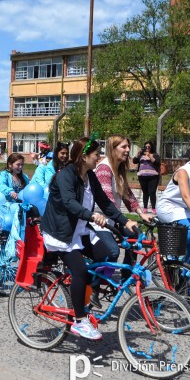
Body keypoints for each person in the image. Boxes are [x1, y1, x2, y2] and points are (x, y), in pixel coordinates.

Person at [40, 136, 138, 341]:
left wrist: (125, 220)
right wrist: (91, 215)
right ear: (84, 157)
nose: (99, 157)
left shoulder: (90, 176)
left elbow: (105, 202)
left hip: (80, 230)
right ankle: (79, 320)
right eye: (96, 154)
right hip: (61, 233)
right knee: (80, 271)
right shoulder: (65, 176)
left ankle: (81, 294)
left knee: (106, 255)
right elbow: (69, 203)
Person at [93, 136, 154, 284]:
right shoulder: (104, 169)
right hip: (98, 221)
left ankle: (127, 275)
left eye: (128, 146)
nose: (128, 150)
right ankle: (94, 285)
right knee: (113, 251)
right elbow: (107, 202)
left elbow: (128, 195)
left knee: (135, 234)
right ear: (112, 149)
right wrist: (125, 220)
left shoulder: (119, 169)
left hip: (112, 220)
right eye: (124, 147)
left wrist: (141, 213)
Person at [132, 140, 161, 214]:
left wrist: (150, 156)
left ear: (151, 147)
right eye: (146, 147)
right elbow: (134, 161)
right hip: (142, 176)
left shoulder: (154, 154)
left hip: (153, 176)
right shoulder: (141, 155)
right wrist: (138, 153)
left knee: (152, 192)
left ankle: (153, 208)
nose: (147, 148)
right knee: (145, 192)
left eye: (149, 147)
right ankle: (145, 208)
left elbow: (157, 162)